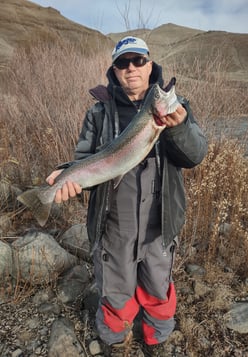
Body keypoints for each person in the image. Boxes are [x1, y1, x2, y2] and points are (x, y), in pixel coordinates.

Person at [46, 36, 208, 357]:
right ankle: (115, 341)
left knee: (158, 288)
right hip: (113, 225)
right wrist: (69, 177)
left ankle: (156, 341)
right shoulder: (97, 114)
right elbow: (85, 161)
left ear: (149, 65)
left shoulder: (177, 111)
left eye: (138, 61)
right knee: (116, 290)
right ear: (115, 70)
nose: (131, 68)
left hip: (160, 224)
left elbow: (195, 155)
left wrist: (179, 127)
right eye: (123, 63)